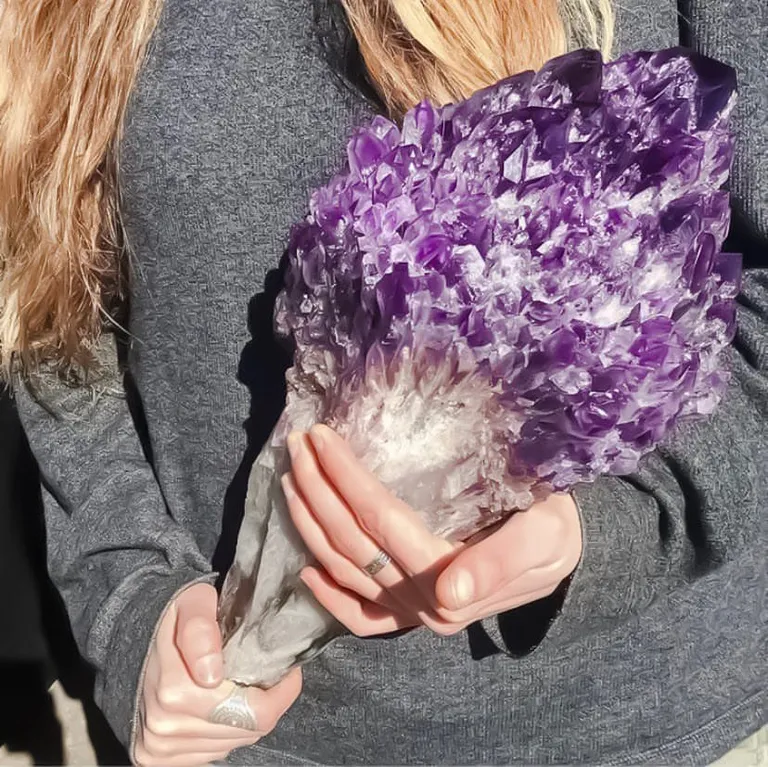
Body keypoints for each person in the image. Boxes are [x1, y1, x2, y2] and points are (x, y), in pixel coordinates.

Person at [0, 0, 765, 765]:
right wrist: (134, 604)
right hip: (232, 735)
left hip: (646, 731)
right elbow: (53, 301)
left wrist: (608, 528)